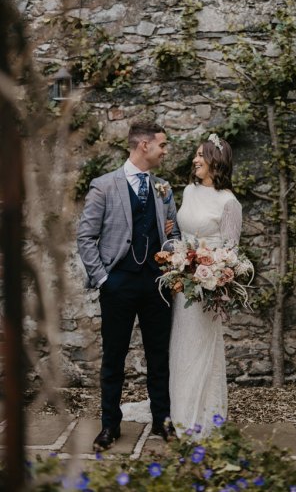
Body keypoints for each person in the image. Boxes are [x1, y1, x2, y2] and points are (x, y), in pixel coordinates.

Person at [77, 121, 180, 451]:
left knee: (159, 357)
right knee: (113, 359)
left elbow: (173, 235)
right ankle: (110, 426)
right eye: (162, 145)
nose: (165, 151)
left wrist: (174, 258)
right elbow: (86, 237)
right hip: (118, 284)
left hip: (157, 285)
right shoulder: (104, 186)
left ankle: (163, 422)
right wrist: (104, 278)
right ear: (144, 146)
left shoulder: (163, 188)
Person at [169, 133, 242, 438]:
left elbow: (231, 252)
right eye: (196, 154)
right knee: (181, 346)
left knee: (201, 349)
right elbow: (182, 231)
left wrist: (213, 274)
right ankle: (178, 409)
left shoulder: (229, 203)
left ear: (216, 161)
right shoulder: (188, 190)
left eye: (202, 155)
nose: (195, 159)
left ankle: (200, 413)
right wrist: (177, 257)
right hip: (182, 284)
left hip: (207, 289)